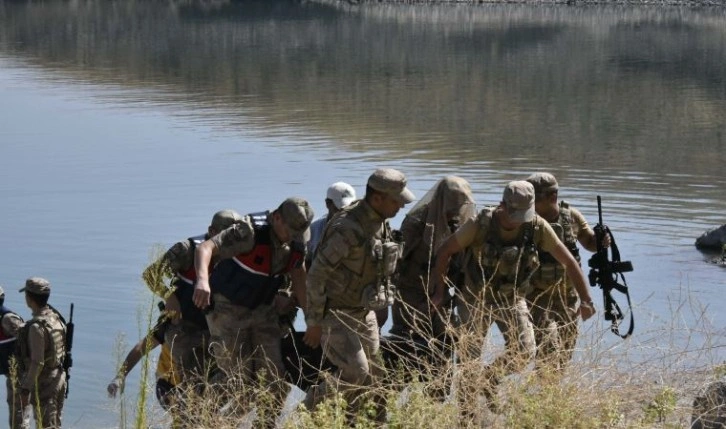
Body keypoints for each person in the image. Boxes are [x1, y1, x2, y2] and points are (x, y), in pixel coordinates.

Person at [430, 181, 596, 421]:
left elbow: (569, 261)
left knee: (524, 351)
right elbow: (445, 251)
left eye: (524, 214)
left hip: (511, 299)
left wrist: (586, 299)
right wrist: (439, 289)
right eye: (514, 214)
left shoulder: (536, 227)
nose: (518, 220)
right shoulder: (480, 224)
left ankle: (489, 379)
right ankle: (467, 416)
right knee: (470, 359)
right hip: (475, 298)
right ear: (502, 206)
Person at [303, 168, 414, 422]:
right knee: (355, 371)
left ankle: (361, 422)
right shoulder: (348, 228)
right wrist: (314, 322)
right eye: (396, 201)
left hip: (364, 312)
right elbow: (316, 275)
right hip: (336, 314)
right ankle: (309, 408)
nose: (400, 206)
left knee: (376, 375)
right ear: (377, 199)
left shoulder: (380, 222)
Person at [192, 197, 313, 428]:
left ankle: (264, 425)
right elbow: (205, 248)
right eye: (290, 230)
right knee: (237, 380)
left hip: (263, 312)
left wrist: (311, 316)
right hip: (227, 310)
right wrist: (202, 281)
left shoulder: (297, 239)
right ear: (277, 217)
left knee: (276, 379)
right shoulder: (248, 231)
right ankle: (201, 418)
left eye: (299, 232)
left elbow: (298, 273)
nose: (294, 237)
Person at [387, 176, 476, 394]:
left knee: (445, 349)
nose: (455, 211)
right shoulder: (417, 221)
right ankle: (386, 399)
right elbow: (397, 260)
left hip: (441, 298)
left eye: (460, 205)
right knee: (403, 348)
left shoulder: (464, 223)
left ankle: (433, 401)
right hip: (411, 295)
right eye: (451, 205)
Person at [142, 210, 242, 380]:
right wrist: (169, 297)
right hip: (185, 329)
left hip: (216, 331)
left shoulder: (239, 254)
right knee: (195, 380)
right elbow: (151, 275)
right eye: (224, 236)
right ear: (211, 231)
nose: (229, 242)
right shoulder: (186, 250)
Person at [525, 172, 609, 375]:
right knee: (547, 348)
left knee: (565, 352)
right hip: (536, 297)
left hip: (567, 298)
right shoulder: (527, 220)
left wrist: (602, 241)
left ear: (552, 197)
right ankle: (545, 394)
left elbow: (589, 243)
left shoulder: (570, 216)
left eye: (534, 198)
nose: (529, 202)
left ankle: (550, 394)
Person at [15, 277, 67, 429]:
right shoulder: (56, 318)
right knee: (55, 424)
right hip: (59, 377)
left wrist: (25, 389)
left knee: (47, 426)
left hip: (45, 384)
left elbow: (37, 362)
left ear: (29, 298)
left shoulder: (36, 327)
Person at [107, 313, 181, 409]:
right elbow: (141, 348)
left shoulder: (205, 318)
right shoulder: (170, 320)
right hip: (168, 385)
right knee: (184, 419)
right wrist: (120, 376)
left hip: (197, 383)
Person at [306, 181, 357, 266]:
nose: (345, 214)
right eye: (340, 210)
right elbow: (306, 262)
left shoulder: (361, 228)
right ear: (328, 204)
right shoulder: (314, 229)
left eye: (350, 209)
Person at [0, 286, 27, 429]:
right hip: (10, 372)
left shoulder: (7, 319)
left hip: (19, 374)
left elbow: (29, 339)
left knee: (18, 418)